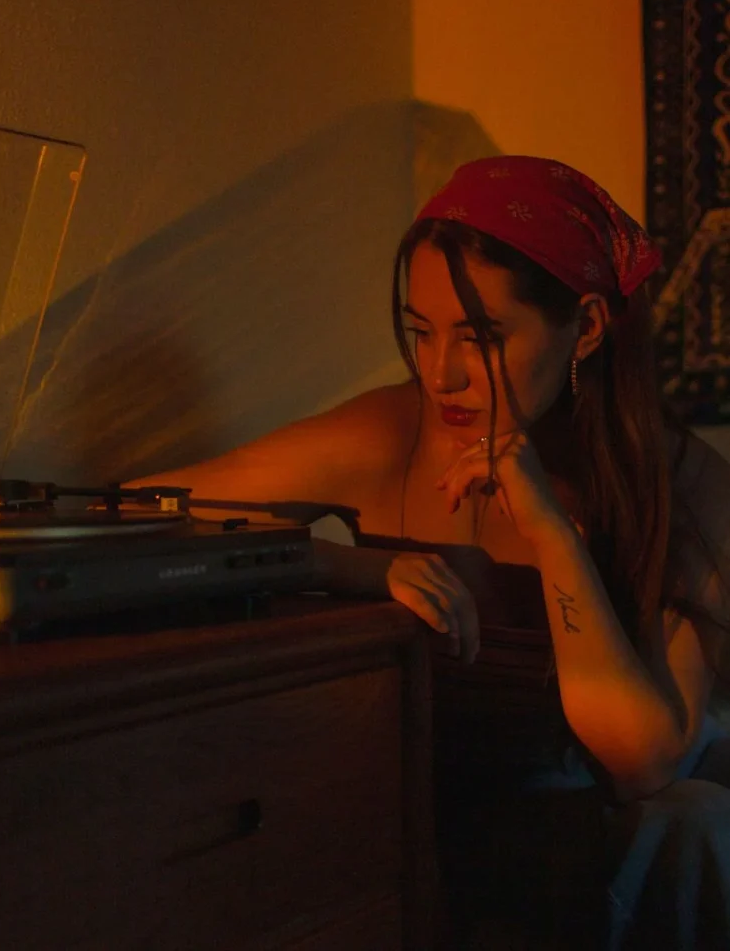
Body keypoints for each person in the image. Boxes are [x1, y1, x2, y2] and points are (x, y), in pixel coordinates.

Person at [131, 155, 730, 948]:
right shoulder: (390, 433)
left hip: (592, 829)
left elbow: (641, 764)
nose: (441, 375)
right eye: (419, 333)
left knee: (690, 820)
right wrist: (339, 564)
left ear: (584, 326)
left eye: (481, 337)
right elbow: (134, 514)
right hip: (419, 808)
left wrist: (553, 534)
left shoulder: (678, 482)